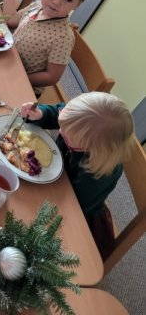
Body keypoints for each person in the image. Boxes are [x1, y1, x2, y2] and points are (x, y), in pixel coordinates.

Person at [20, 92, 135, 257]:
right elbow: (58, 114)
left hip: (76, 208)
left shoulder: (98, 175)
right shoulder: (77, 124)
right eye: (62, 123)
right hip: (58, 177)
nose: (60, 130)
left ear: (91, 148)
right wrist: (41, 114)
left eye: (67, 137)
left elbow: (72, 205)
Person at [3, 0, 92, 96]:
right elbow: (11, 19)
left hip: (25, 85)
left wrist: (21, 77)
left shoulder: (64, 37)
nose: (57, 2)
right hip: (9, 60)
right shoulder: (37, 6)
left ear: (77, 4)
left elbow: (51, 77)